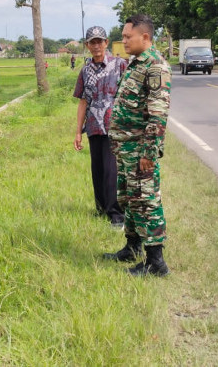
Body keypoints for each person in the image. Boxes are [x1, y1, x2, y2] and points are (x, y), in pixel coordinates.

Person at [103, 14, 172, 277]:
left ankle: (156, 263)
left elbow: (158, 114)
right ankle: (132, 248)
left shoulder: (155, 67)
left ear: (145, 37)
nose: (123, 41)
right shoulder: (136, 64)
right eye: (122, 36)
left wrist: (148, 153)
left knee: (146, 201)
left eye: (127, 36)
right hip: (126, 149)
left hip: (139, 151)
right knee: (130, 199)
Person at [73, 26, 128, 228]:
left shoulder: (120, 65)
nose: (96, 46)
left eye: (99, 41)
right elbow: (82, 102)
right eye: (92, 42)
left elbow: (130, 95)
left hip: (114, 127)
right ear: (87, 46)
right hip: (94, 127)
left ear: (106, 43)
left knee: (111, 170)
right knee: (97, 169)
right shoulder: (85, 71)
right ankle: (101, 208)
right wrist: (78, 131)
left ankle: (116, 214)